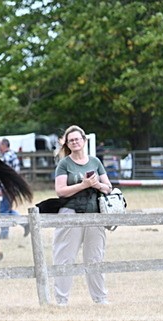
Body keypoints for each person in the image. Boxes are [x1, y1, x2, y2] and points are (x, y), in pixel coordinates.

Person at [52, 125, 113, 306]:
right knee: (65, 257)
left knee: (95, 257)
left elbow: (108, 187)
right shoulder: (64, 164)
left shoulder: (95, 162)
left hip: (94, 213)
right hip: (70, 213)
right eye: (71, 140)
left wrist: (97, 185)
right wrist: (83, 184)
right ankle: (62, 300)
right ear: (68, 144)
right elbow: (60, 191)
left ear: (84, 140)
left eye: (77, 139)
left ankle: (100, 298)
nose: (75, 142)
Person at [0, 138, 27, 239]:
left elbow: (4, 175)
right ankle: (25, 223)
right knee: (8, 210)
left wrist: (1, 188)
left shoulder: (6, 157)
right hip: (13, 187)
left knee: (3, 210)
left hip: (7, 187)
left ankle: (4, 233)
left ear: (4, 145)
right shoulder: (13, 155)